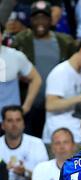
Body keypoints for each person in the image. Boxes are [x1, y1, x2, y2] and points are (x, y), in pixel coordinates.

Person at [12, 1, 76, 137]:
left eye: (44, 18)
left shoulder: (65, 42)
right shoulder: (20, 40)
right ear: (30, 20)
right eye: (36, 18)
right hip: (29, 105)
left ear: (50, 20)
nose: (40, 22)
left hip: (57, 107)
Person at [42, 34, 81, 144]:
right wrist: (80, 98)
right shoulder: (60, 72)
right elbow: (50, 105)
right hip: (59, 136)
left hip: (77, 133)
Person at [0, 105, 48, 180]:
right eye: (10, 120)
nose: (14, 124)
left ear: (24, 124)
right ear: (2, 125)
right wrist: (2, 171)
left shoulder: (37, 144)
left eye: (18, 120)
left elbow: (45, 176)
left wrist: (25, 173)